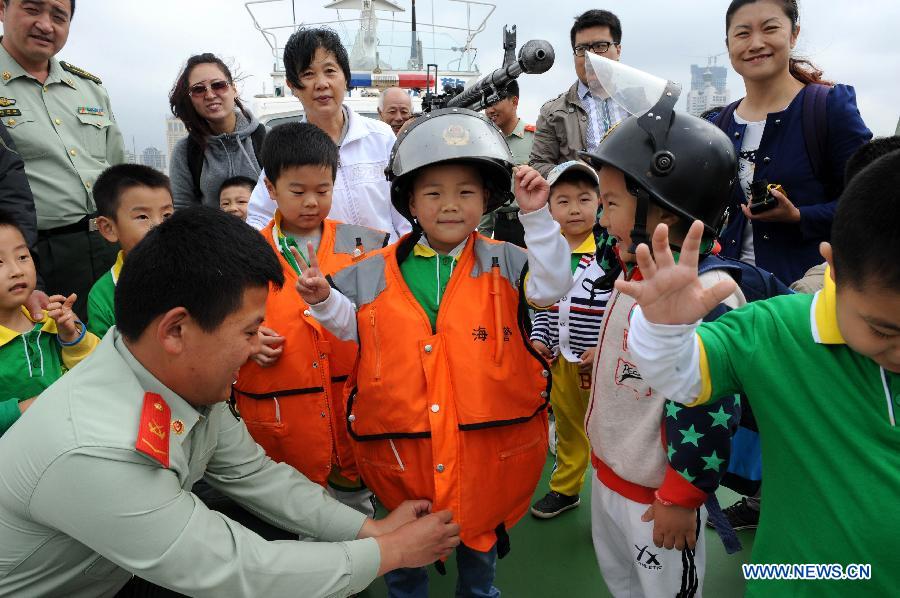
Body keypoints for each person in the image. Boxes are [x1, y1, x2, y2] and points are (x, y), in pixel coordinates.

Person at [0, 206, 461, 598]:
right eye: (247, 330)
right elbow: (236, 569)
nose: (257, 344)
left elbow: (252, 473)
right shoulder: (97, 449)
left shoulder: (169, 373)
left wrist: (370, 530)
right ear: (176, 330)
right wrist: (393, 552)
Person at [296, 108, 571, 597]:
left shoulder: (509, 261)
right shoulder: (371, 271)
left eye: (466, 192)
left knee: (480, 558)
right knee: (403, 562)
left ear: (486, 199)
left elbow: (552, 284)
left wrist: (537, 215)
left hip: (484, 459)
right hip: (403, 458)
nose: (450, 205)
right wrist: (323, 301)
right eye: (433, 193)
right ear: (410, 203)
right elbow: (354, 330)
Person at [619, 148, 900, 598]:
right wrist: (664, 330)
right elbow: (681, 377)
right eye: (885, 330)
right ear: (833, 263)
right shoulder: (775, 328)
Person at [579, 80, 748, 596]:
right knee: (622, 583)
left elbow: (710, 407)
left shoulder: (709, 296)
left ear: (663, 216)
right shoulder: (635, 267)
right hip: (611, 475)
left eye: (609, 204)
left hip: (659, 495)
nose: (599, 217)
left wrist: (682, 495)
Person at [233, 122, 388, 516]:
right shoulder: (245, 253)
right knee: (300, 504)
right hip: (289, 415)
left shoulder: (366, 245)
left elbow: (384, 317)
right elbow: (221, 322)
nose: (311, 202)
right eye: (297, 191)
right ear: (270, 189)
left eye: (323, 191)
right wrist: (247, 341)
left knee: (355, 497)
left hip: (352, 402)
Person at [710, 0, 871, 289]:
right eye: (743, 33)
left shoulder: (830, 109)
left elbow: (870, 202)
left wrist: (800, 216)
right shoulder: (718, 123)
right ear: (728, 43)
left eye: (770, 28)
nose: (756, 43)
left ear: (793, 34)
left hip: (806, 297)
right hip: (728, 295)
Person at [0, 0, 125, 321]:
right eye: (32, 10)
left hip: (109, 243)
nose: (46, 24)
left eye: (59, 16)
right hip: (35, 256)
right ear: (2, 9)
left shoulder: (89, 88)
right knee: (53, 359)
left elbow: (118, 173)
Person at [246, 28, 410, 242]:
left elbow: (406, 209)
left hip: (387, 266)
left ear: (345, 76)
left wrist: (407, 256)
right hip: (325, 272)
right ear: (292, 85)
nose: (322, 83)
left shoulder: (381, 137)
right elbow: (260, 217)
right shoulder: (288, 148)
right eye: (308, 74)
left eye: (330, 71)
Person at [528, 160, 612, 519]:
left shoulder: (611, 253)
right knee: (567, 426)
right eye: (562, 201)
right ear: (548, 209)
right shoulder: (546, 252)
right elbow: (545, 306)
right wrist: (539, 338)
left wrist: (606, 348)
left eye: (584, 199)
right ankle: (566, 488)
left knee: (611, 431)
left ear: (600, 203)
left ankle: (613, 501)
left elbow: (621, 307)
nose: (574, 209)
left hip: (605, 364)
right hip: (563, 362)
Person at [0, 209, 97, 436]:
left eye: (22, 257)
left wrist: (72, 337)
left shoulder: (48, 318)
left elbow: (95, 369)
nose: (16, 271)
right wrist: (26, 408)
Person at [528, 9, 629, 177]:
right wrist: (572, 170)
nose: (590, 56)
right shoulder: (553, 112)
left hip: (634, 201)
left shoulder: (643, 103)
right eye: (582, 48)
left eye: (600, 46)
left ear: (618, 50)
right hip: (582, 201)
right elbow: (538, 165)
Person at [87, 164, 174, 339]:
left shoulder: (195, 270)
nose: (159, 226)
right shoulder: (103, 295)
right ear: (108, 228)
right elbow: (103, 355)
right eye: (142, 216)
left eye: (167, 215)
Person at [168, 53, 264, 210]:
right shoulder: (186, 151)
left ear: (234, 89)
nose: (210, 95)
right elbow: (182, 210)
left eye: (218, 85)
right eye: (199, 89)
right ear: (190, 99)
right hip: (210, 234)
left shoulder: (267, 138)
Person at [480, 80, 536, 245]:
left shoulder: (536, 139)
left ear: (514, 102)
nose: (490, 110)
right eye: (487, 104)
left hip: (530, 225)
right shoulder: (486, 145)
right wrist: (483, 238)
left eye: (495, 102)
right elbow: (487, 193)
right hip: (501, 227)